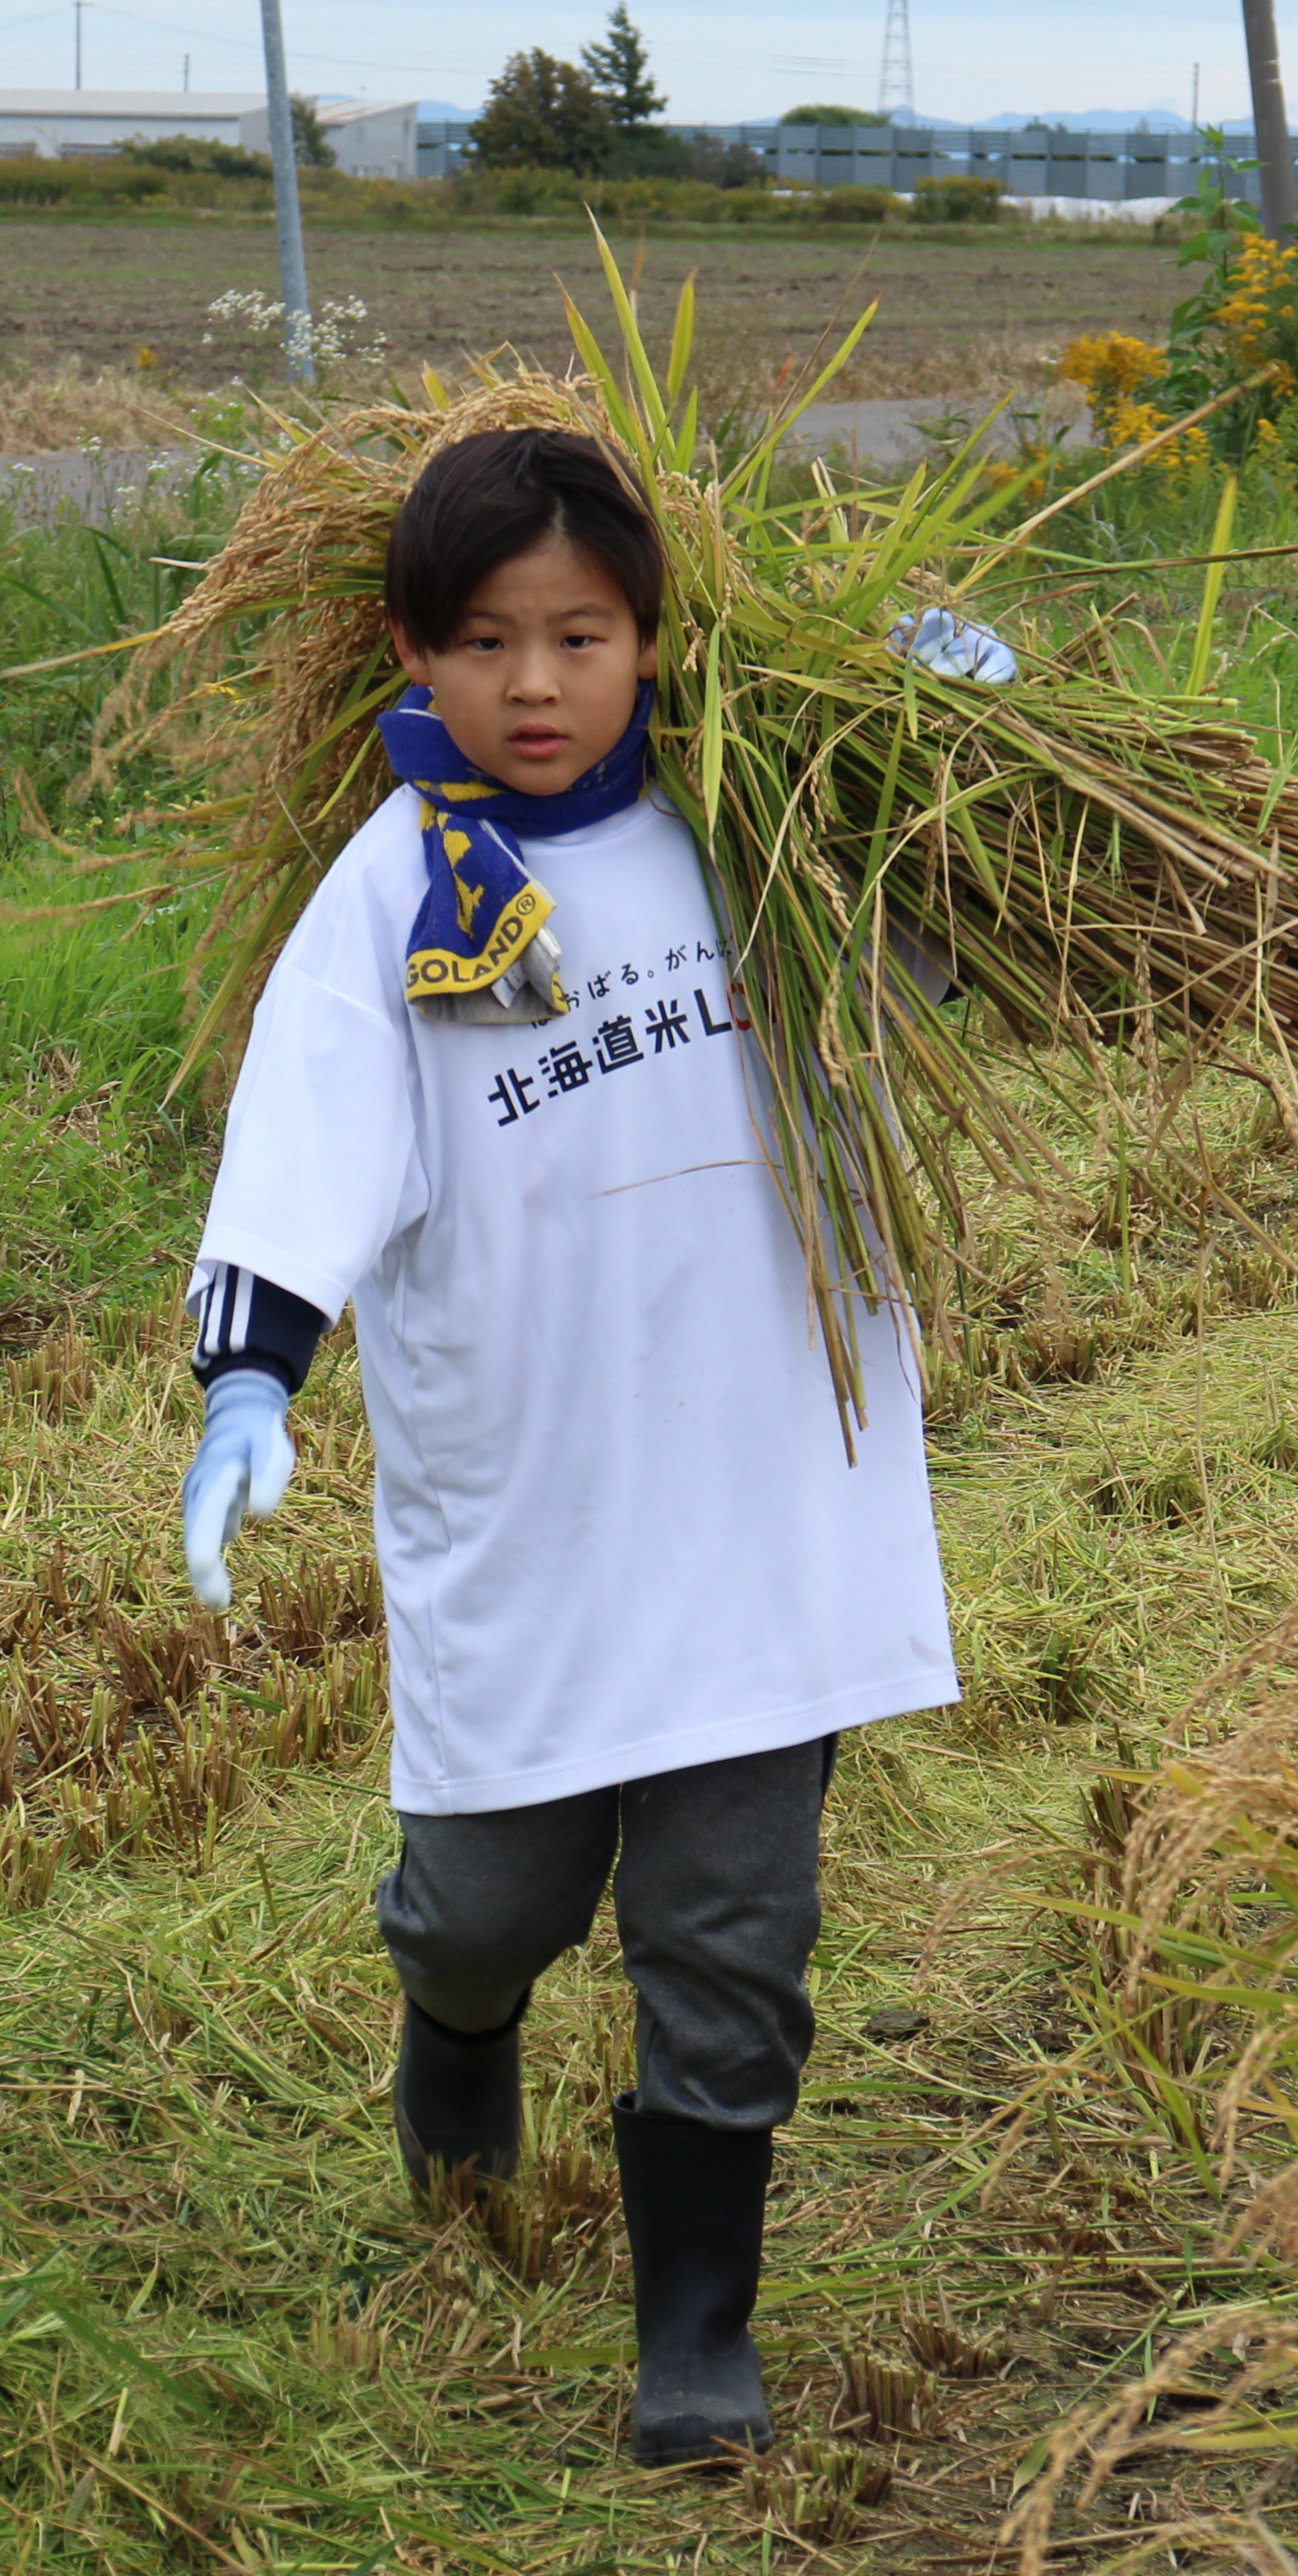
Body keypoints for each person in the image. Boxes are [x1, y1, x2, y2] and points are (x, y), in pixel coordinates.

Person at [172, 427, 999, 2470]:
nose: (533, 685)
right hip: (536, 1504)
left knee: (734, 1941)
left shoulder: (765, 833)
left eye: (580, 636)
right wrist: (253, 1374)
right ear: (409, 653)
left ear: (653, 641)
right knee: (487, 1904)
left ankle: (695, 2334)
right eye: (483, 642)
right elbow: (307, 1137)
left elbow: (929, 973)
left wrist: (958, 773)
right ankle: (453, 2034)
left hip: (757, 1492)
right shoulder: (403, 889)